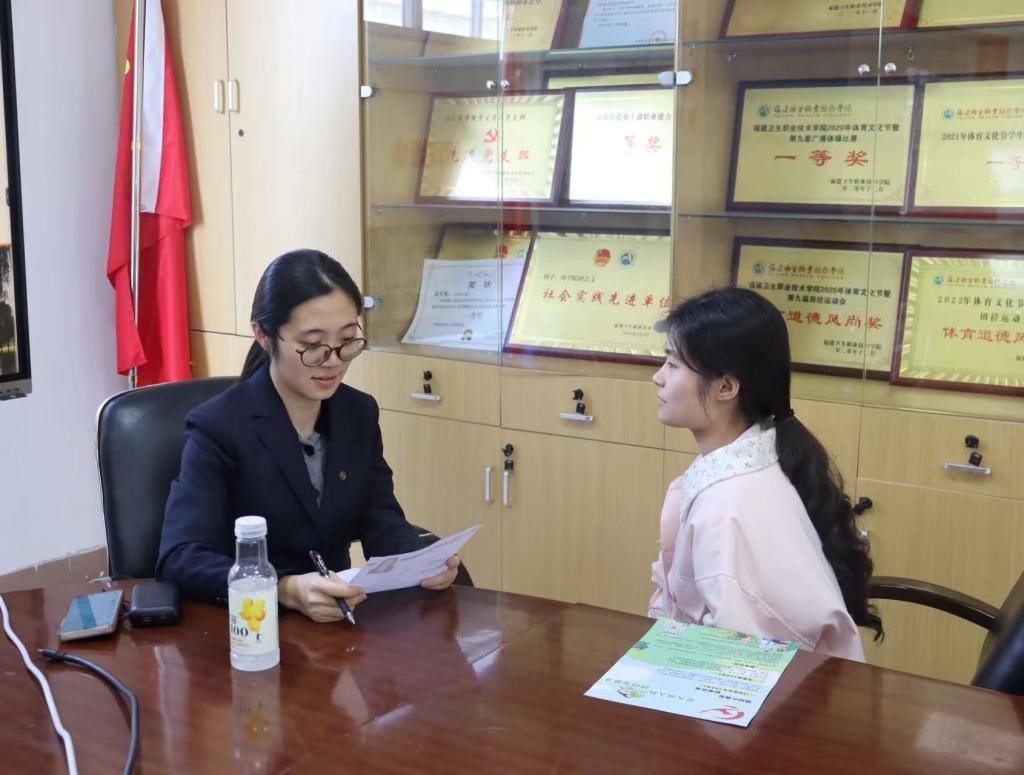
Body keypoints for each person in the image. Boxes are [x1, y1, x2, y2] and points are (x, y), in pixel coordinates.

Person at [157, 249, 459, 621]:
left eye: (347, 340)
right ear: (264, 335)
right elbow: (179, 558)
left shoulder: (358, 413)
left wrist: (421, 559)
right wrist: (283, 589)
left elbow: (380, 518)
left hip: (338, 623)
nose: (333, 361)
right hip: (251, 627)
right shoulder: (219, 426)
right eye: (313, 345)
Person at [649, 287, 881, 660]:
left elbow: (743, 663)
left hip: (774, 688)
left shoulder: (732, 505)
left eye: (673, 365)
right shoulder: (746, 468)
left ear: (726, 387)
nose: (658, 377)